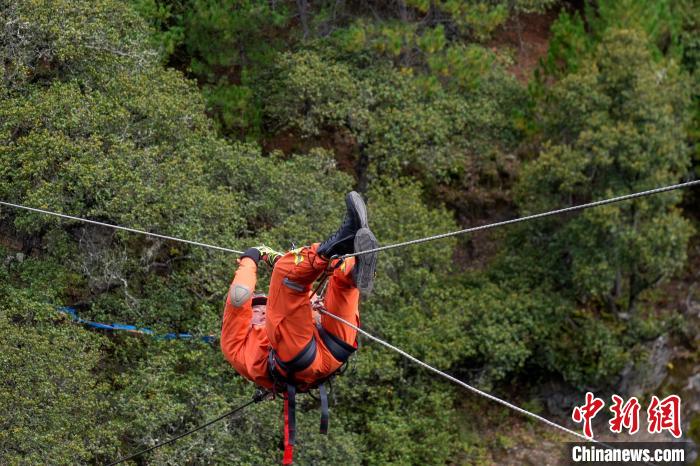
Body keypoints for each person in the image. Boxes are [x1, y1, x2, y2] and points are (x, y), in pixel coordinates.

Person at [220, 192, 378, 464]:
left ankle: (353, 269)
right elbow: (240, 296)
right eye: (258, 307)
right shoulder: (235, 341)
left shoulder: (272, 324)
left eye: (261, 305)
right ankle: (341, 241)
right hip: (300, 357)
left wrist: (299, 264)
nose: (259, 310)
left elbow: (296, 291)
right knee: (286, 273)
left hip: (326, 351)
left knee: (339, 279)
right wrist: (251, 258)